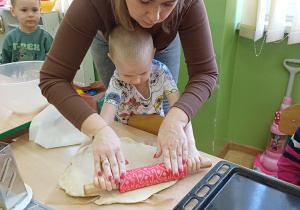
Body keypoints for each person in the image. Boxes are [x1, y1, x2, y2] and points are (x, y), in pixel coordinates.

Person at [39, 0, 218, 188]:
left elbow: (204, 73)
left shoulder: (189, 5)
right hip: (114, 41)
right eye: (145, 1)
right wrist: (99, 131)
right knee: (121, 113)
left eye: (168, 3)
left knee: (167, 119)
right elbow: (53, 78)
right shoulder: (92, 4)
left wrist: (180, 125)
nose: (155, 16)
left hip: (164, 39)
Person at [95, 24, 205, 189]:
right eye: (128, 75)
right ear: (112, 59)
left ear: (153, 53)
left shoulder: (162, 72)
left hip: (155, 135)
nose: (137, 80)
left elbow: (182, 110)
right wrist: (104, 145)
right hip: (127, 135)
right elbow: (106, 117)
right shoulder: (117, 79)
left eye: (143, 72)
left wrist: (191, 146)